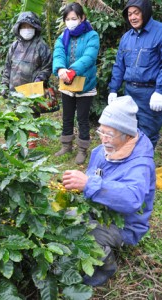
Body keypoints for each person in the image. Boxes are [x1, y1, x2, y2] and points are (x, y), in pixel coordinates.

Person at [62, 95, 155, 286]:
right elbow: (92, 177)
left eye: (109, 134)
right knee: (63, 219)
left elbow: (132, 199)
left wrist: (89, 184)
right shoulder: (100, 152)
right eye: (101, 132)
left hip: (125, 224)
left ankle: (104, 268)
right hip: (99, 211)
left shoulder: (141, 165)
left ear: (128, 135)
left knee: (86, 235)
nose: (103, 139)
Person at [108, 0, 162, 149]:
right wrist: (113, 89)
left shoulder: (159, 32)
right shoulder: (126, 38)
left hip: (150, 94)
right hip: (129, 92)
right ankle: (131, 168)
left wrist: (159, 91)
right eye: (129, 14)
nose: (132, 17)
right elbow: (119, 65)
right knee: (129, 133)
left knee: (147, 135)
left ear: (145, 12)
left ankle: (144, 169)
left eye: (136, 13)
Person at [53, 2, 100, 164]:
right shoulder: (63, 36)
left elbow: (89, 56)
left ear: (82, 18)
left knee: (82, 118)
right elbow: (58, 53)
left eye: (74, 18)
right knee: (66, 116)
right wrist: (60, 69)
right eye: (67, 19)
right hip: (66, 84)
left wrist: (73, 70)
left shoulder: (92, 36)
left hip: (85, 85)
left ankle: (82, 149)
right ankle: (66, 145)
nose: (70, 21)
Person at [1, 12, 52, 148]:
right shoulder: (14, 46)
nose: (27, 29)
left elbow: (47, 67)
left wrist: (40, 79)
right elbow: (7, 67)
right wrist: (4, 85)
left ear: (35, 28)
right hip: (14, 91)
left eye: (29, 26)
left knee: (31, 116)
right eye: (23, 26)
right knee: (14, 116)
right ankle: (14, 142)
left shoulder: (41, 46)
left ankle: (31, 144)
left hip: (32, 91)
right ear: (18, 28)